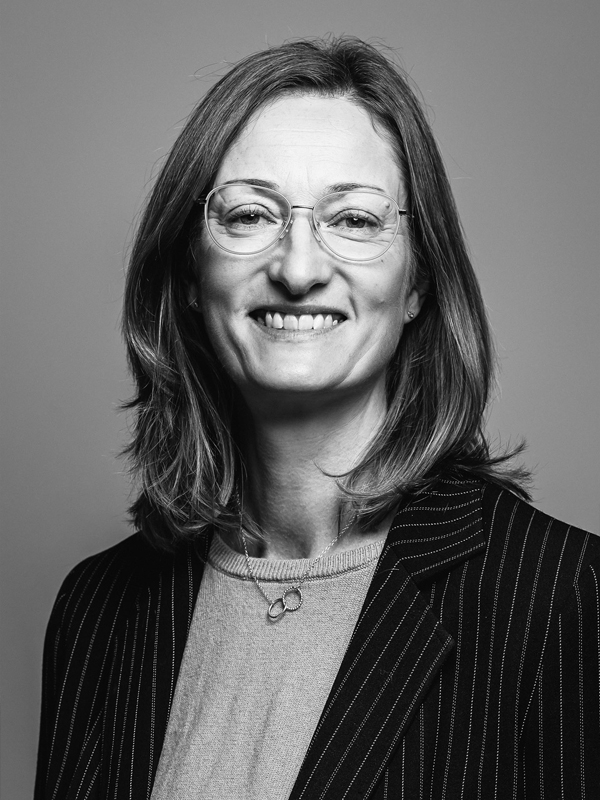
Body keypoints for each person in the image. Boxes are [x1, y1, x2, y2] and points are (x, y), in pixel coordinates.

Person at [34, 37, 600, 799]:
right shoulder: (97, 610)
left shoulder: (564, 598)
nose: (298, 269)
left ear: (417, 283)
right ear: (191, 273)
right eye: (249, 215)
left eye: (355, 220)